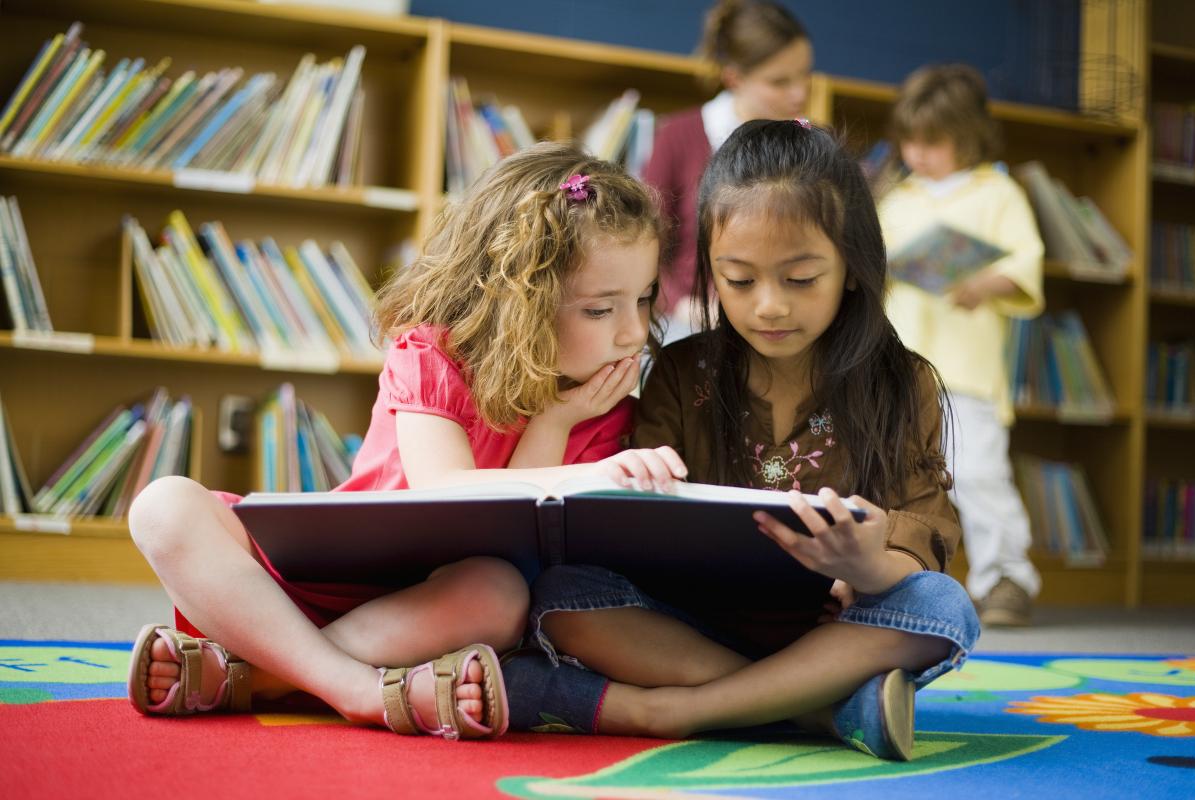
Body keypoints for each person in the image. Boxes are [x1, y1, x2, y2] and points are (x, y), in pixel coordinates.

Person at [125, 142, 677, 740]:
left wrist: (553, 423)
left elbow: (520, 544)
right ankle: (357, 690)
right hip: (297, 585)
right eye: (600, 310)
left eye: (644, 298)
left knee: (501, 595)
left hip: (421, 611)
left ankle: (258, 678)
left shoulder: (602, 405)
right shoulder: (433, 353)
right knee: (162, 505)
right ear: (517, 300)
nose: (633, 331)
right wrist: (575, 469)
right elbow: (445, 489)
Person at [507, 120, 979, 761]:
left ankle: (659, 710)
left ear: (854, 268)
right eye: (739, 279)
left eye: (801, 278)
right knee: (563, 594)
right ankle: (820, 708)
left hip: (837, 632)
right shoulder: (680, 372)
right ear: (709, 270)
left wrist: (867, 565)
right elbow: (629, 528)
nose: (768, 307)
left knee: (943, 607)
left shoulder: (903, 383)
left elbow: (928, 526)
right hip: (692, 627)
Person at [879, 64, 1045, 627]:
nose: (918, 152)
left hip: (967, 369)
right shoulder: (894, 198)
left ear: (968, 135)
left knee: (977, 475)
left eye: (933, 141)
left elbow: (1026, 264)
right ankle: (902, 576)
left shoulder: (998, 192)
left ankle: (1004, 578)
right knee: (898, 475)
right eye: (910, 140)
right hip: (899, 367)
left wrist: (985, 283)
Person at [642, 0, 812, 340]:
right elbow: (642, 240)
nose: (800, 93)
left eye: (805, 74)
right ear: (734, 78)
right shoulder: (677, 136)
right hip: (691, 327)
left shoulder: (810, 143)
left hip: (780, 327)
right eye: (779, 82)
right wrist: (677, 304)